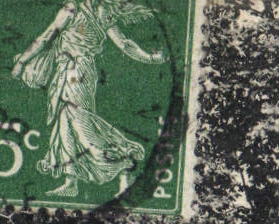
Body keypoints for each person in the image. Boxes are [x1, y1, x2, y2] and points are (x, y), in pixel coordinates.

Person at [12, 2, 166, 200]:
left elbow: (45, 37)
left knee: (75, 120)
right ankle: (71, 182)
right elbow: (125, 44)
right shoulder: (104, 12)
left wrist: (22, 61)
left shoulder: (71, 9)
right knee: (66, 123)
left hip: (74, 72)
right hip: (81, 71)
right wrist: (150, 58)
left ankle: (122, 157)